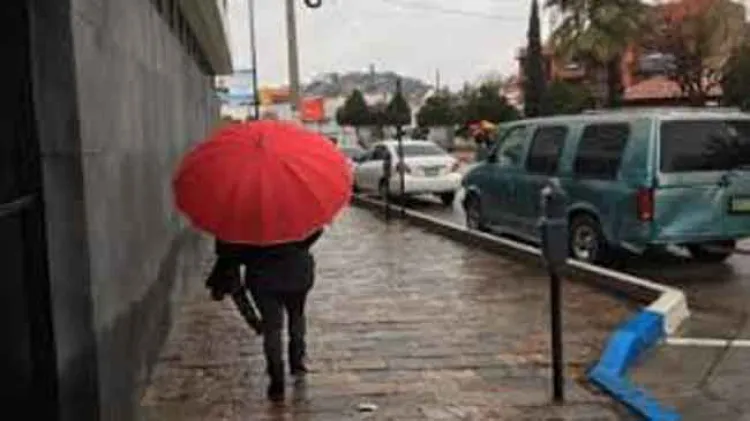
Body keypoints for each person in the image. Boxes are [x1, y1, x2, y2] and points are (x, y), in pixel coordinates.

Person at [207, 230, 324, 402]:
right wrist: (297, 246)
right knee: (297, 315)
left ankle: (277, 380)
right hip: (297, 272)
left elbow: (231, 259)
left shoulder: (238, 222)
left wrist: (253, 321)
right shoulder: (291, 211)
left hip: (263, 278)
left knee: (272, 328)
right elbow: (316, 230)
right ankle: (297, 362)